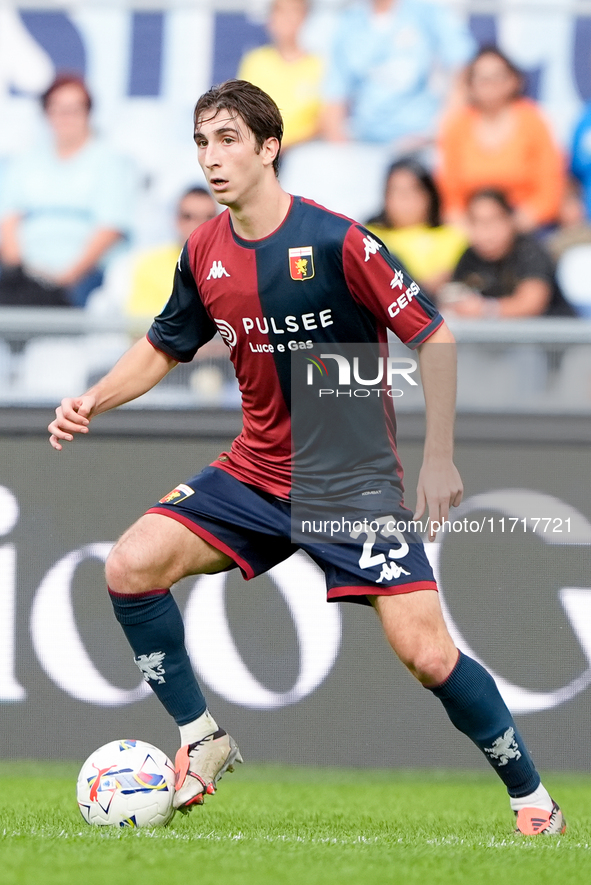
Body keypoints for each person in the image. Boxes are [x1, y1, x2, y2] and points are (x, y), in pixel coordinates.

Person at [48, 79, 564, 835]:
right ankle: (202, 738)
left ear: (268, 146)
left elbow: (434, 337)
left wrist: (437, 459)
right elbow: (165, 345)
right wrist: (93, 397)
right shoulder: (204, 250)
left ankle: (533, 802)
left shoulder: (335, 240)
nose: (211, 158)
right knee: (129, 566)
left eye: (227, 140)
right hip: (255, 464)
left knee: (426, 654)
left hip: (346, 470)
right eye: (200, 141)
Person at [0, 74, 135, 307]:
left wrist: (64, 278)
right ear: (46, 113)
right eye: (58, 109)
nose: (66, 117)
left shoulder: (110, 162)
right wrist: (20, 271)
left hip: (84, 277)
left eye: (74, 109)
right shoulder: (25, 160)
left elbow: (110, 228)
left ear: (88, 113)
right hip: (24, 274)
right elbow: (8, 220)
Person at [438, 47, 564, 233]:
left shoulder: (533, 121)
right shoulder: (457, 126)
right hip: (472, 229)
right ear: (470, 85)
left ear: (514, 81)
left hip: (526, 227)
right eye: (482, 79)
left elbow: (549, 189)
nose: (490, 85)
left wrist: (511, 228)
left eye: (498, 76)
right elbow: (450, 195)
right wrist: (470, 230)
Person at [321, 0, 474, 149]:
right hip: (367, 141)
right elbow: (334, 94)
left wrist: (440, 132)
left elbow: (463, 69)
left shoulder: (426, 12)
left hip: (422, 140)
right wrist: (342, 150)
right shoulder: (349, 21)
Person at [442, 189, 574, 318]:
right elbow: (453, 296)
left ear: (510, 220)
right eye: (477, 222)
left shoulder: (529, 251)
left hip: (550, 334)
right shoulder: (469, 256)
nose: (485, 232)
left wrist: (486, 309)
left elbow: (531, 304)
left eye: (492, 221)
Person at [366, 158, 467, 297]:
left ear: (430, 195)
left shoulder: (453, 237)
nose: (405, 199)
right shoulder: (369, 237)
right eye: (397, 191)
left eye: (413, 190)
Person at [237, 0, 323, 149]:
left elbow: (323, 121)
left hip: (302, 152)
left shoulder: (319, 66)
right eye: (280, 11)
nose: (287, 18)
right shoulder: (255, 61)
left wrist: (285, 146)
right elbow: (241, 112)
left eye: (294, 11)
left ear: (304, 16)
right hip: (260, 150)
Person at [124, 186, 217, 319]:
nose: (199, 224)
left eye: (208, 217)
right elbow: (140, 330)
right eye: (189, 217)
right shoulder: (150, 266)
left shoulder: (234, 266)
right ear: (176, 220)